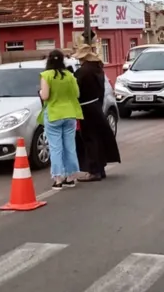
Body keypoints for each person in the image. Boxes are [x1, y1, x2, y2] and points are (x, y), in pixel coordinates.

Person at [72, 44, 121, 182]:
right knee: (98, 138)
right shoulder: (98, 69)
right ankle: (100, 168)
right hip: (96, 106)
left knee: (89, 139)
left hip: (86, 108)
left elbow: (76, 91)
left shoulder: (83, 72)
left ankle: (94, 171)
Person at [39, 50, 83, 189]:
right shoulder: (69, 75)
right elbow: (77, 93)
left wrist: (40, 92)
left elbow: (45, 96)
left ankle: (58, 179)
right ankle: (71, 177)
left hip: (53, 114)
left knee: (56, 147)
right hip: (70, 114)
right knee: (70, 146)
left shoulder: (46, 75)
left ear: (49, 60)